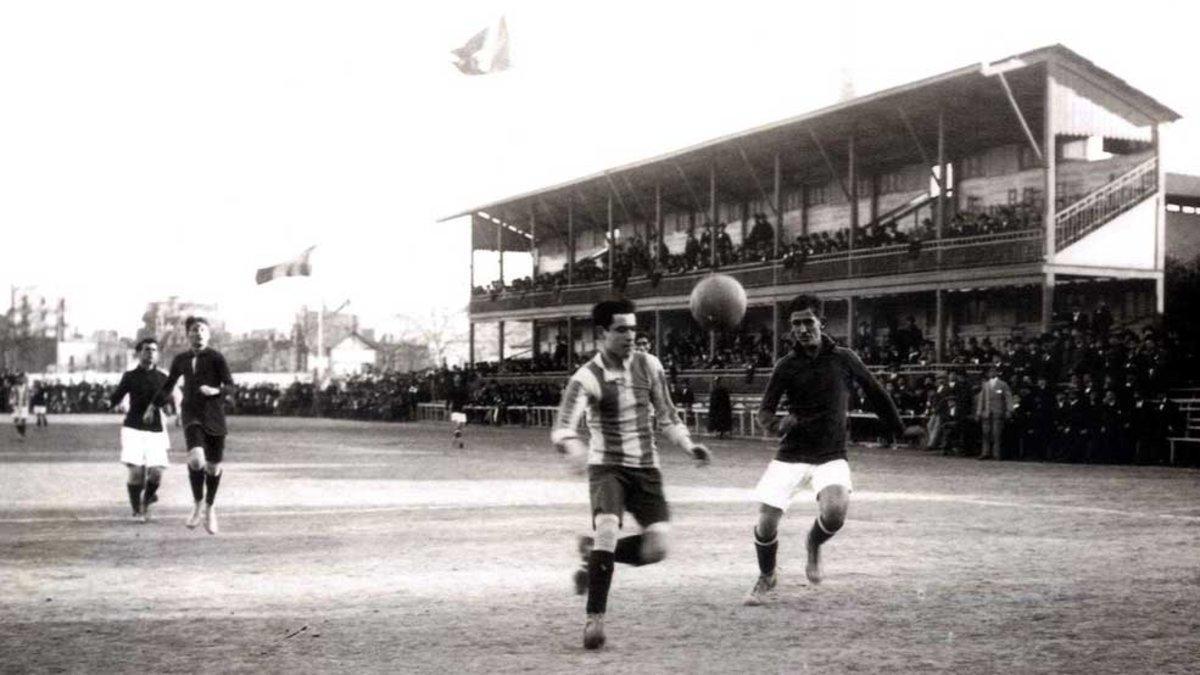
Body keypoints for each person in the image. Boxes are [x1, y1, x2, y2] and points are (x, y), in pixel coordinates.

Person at [551, 298, 712, 650]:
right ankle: (595, 619)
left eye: (633, 329)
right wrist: (573, 446)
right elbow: (563, 426)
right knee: (608, 528)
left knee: (657, 549)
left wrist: (688, 446)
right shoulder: (587, 376)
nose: (630, 336)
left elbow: (667, 416)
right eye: (621, 329)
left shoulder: (649, 365)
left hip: (646, 469)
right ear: (602, 333)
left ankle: (593, 553)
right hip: (607, 468)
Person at [745, 294, 923, 606]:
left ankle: (813, 543)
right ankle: (767, 575)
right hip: (792, 453)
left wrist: (900, 429)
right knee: (766, 523)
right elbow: (765, 411)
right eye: (796, 324)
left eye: (808, 322)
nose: (802, 329)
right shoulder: (785, 366)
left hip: (830, 453)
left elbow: (876, 393)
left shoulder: (845, 358)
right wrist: (776, 425)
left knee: (835, 513)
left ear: (822, 323)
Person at [151, 316, 235, 535]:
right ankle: (197, 503)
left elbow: (230, 386)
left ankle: (210, 507)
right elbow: (168, 385)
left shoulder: (216, 357)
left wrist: (216, 390)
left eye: (202, 330)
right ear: (188, 335)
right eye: (194, 330)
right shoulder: (181, 359)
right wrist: (153, 406)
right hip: (191, 413)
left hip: (214, 414)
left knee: (213, 467)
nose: (198, 334)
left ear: (209, 334)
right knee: (197, 460)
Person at [108, 338, 170, 522]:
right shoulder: (130, 376)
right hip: (133, 428)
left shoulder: (163, 378)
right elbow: (116, 396)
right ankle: (137, 509)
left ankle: (147, 499)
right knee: (136, 474)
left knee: (156, 473)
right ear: (139, 353)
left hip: (156, 430)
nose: (150, 353)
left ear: (157, 354)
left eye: (153, 350)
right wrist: (108, 403)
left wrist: (165, 406)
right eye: (146, 349)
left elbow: (166, 400)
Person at [975, 366, 1013, 460]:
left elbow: (1008, 398)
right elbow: (981, 399)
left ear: (996, 372)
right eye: (990, 372)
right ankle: (985, 452)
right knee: (985, 433)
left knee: (996, 434)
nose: (991, 373)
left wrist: (1009, 410)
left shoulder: (1003, 384)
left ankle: (997, 453)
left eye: (993, 371)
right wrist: (979, 412)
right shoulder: (985, 385)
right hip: (987, 412)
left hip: (998, 411)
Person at [9, 373, 30, 441]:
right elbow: (11, 395)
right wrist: (11, 404)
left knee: (23, 420)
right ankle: (20, 433)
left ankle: (22, 434)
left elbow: (28, 396)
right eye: (20, 378)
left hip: (24, 405)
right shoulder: (14, 387)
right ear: (18, 379)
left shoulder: (26, 387)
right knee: (15, 420)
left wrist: (28, 404)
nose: (21, 380)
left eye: (23, 378)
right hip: (16, 405)